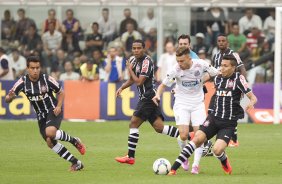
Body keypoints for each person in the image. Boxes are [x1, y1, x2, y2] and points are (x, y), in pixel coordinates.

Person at [168, 54, 258, 175]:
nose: (222, 68)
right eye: (221, 65)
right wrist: (179, 88)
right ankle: (173, 169)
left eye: (225, 66)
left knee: (217, 150)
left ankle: (224, 160)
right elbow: (197, 82)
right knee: (196, 139)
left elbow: (253, 97)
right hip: (213, 118)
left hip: (228, 123)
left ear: (233, 67)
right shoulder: (218, 76)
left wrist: (251, 103)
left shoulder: (238, 79)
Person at [5, 55, 86, 171]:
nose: (35, 71)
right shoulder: (22, 82)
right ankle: (76, 163)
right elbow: (8, 99)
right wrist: (10, 97)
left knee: (50, 132)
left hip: (53, 109)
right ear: (27, 68)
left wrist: (58, 106)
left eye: (37, 68)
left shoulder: (46, 79)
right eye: (32, 68)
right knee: (50, 142)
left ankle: (74, 141)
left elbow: (61, 92)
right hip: (40, 115)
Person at [153, 47, 218, 174]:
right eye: (178, 61)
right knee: (183, 135)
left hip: (197, 104)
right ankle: (185, 158)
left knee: (199, 136)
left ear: (189, 58)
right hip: (182, 103)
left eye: (182, 61)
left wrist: (203, 79)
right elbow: (162, 85)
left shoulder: (201, 64)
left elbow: (215, 72)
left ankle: (195, 165)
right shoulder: (175, 69)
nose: (179, 64)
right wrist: (157, 95)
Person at [114, 40, 180, 165]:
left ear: (144, 49)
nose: (136, 50)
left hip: (148, 96)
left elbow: (139, 81)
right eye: (134, 48)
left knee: (133, 123)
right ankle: (189, 135)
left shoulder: (147, 62)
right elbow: (132, 80)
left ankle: (130, 156)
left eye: (139, 48)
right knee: (159, 128)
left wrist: (130, 69)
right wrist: (122, 87)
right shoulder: (133, 60)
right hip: (149, 97)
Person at [207, 33, 247, 148]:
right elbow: (215, 72)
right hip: (219, 89)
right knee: (211, 111)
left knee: (230, 114)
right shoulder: (216, 56)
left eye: (223, 41)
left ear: (227, 42)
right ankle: (221, 138)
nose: (221, 43)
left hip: (232, 89)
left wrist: (241, 88)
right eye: (219, 41)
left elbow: (242, 69)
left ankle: (232, 139)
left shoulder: (233, 54)